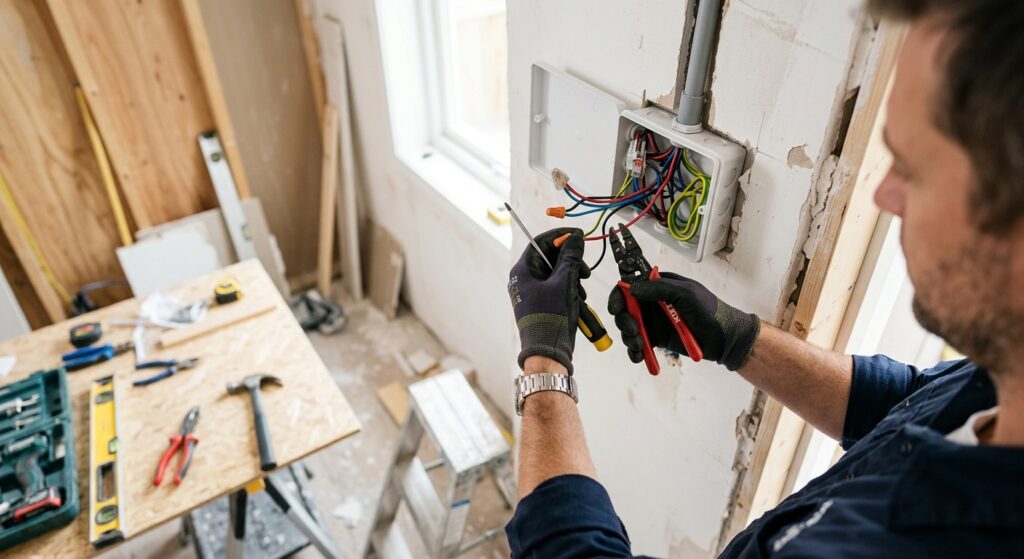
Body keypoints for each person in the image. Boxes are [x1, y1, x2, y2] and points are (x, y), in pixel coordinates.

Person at [504, 0, 1024, 556]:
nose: (882, 193)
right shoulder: (1000, 382)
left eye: (914, 171)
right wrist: (735, 336)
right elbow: (903, 402)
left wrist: (544, 362)